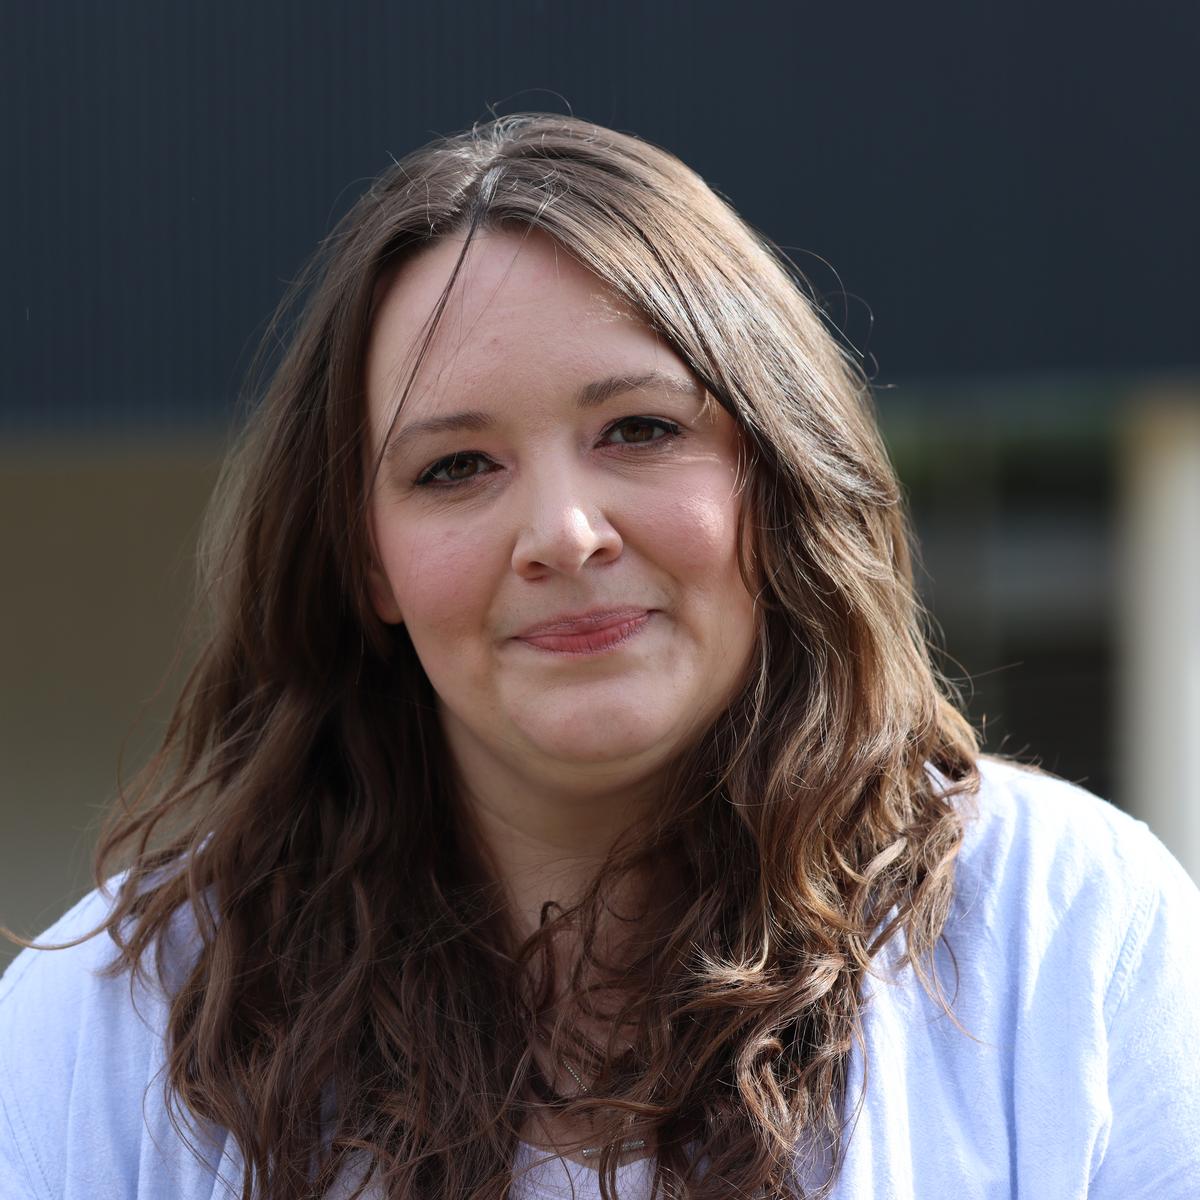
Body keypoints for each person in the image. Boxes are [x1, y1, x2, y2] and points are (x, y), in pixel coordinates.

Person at [1, 113, 1197, 1200]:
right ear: (367, 560)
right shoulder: (110, 1030)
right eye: (454, 468)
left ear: (773, 476)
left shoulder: (1073, 937)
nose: (565, 535)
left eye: (641, 429)